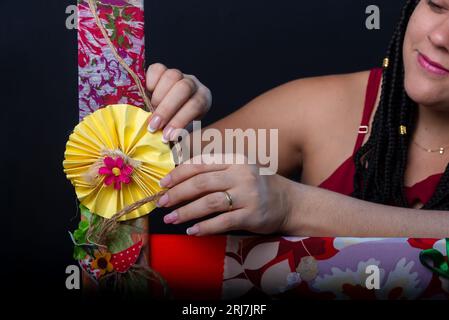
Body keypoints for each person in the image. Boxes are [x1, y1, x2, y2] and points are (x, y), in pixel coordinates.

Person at [144, 0, 449, 238]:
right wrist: (165, 116)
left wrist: (294, 207)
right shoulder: (324, 105)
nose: (440, 36)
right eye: (436, 5)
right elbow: (140, 173)